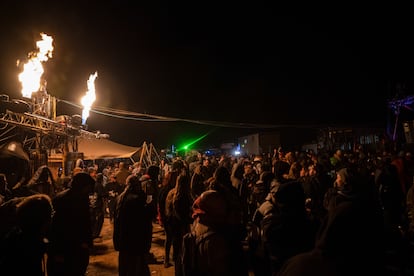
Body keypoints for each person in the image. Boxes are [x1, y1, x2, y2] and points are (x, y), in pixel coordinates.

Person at [47, 172, 95, 276]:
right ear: (82, 186)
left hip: (77, 247)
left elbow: (85, 222)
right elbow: (57, 227)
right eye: (88, 187)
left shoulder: (81, 198)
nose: (89, 191)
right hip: (67, 247)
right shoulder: (65, 200)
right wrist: (57, 251)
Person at [0, 193, 54, 276]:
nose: (51, 219)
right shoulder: (31, 249)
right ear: (42, 221)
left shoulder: (14, 238)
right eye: (50, 215)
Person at [113, 175, 152, 276]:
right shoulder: (136, 200)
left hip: (123, 240)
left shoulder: (121, 198)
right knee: (135, 269)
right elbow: (143, 222)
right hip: (134, 241)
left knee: (125, 268)